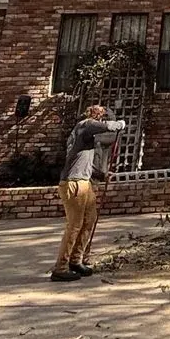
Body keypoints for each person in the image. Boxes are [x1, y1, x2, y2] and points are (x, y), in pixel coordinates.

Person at [51, 104, 125, 281]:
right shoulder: (85, 125)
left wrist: (102, 175)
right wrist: (120, 124)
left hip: (85, 183)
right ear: (96, 116)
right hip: (73, 183)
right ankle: (60, 268)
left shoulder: (87, 140)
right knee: (75, 225)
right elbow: (108, 126)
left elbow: (86, 165)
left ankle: (75, 260)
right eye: (101, 115)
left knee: (89, 221)